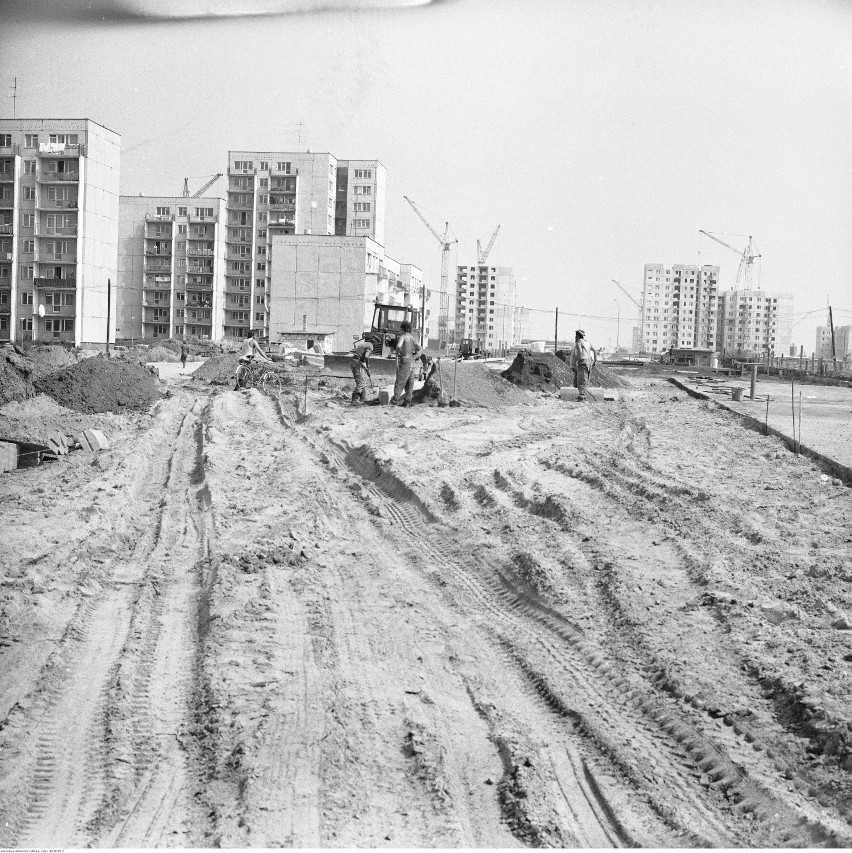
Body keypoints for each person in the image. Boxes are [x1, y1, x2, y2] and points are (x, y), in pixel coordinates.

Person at [390, 320, 423, 407]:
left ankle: (394, 400)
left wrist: (397, 353)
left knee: (400, 382)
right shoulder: (413, 338)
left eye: (401, 328)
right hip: (411, 362)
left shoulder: (403, 337)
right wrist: (415, 357)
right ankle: (407, 402)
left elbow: (399, 346)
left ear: (403, 328)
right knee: (409, 383)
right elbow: (420, 349)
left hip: (405, 361)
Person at [569, 329, 597, 402]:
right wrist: (595, 362)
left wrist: (575, 362)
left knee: (581, 379)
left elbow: (580, 352)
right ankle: (582, 395)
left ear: (577, 336)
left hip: (582, 362)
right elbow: (594, 351)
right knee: (585, 380)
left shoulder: (579, 342)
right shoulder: (587, 343)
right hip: (588, 363)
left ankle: (582, 397)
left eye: (575, 336)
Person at [350, 335, 373, 403]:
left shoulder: (364, 344)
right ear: (375, 343)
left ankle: (363, 398)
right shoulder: (370, 346)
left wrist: (366, 369)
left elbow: (360, 357)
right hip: (357, 363)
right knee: (360, 382)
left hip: (355, 362)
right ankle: (355, 399)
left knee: (363, 380)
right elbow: (366, 357)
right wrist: (368, 365)